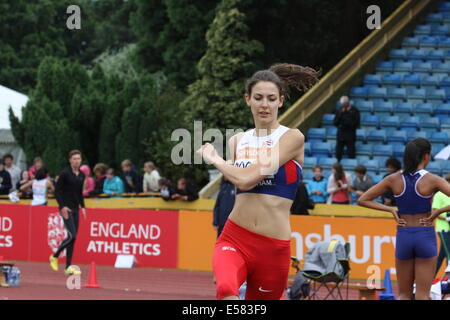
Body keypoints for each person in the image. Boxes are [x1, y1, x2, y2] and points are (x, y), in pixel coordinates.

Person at [196, 63, 319, 300]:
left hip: (273, 247)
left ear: (281, 101)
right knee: (225, 289)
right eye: (259, 97)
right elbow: (240, 186)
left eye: (271, 98)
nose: (265, 104)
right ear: (247, 99)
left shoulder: (292, 138)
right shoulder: (237, 141)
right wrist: (227, 165)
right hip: (235, 237)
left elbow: (246, 180)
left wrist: (216, 160)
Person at [358, 138, 450, 300]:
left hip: (404, 234)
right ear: (426, 156)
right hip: (425, 235)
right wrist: (437, 212)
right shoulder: (432, 179)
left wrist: (391, 210)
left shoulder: (393, 179)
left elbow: (362, 199)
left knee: (403, 294)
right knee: (422, 295)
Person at [51, 150, 86, 276]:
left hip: (76, 209)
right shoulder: (65, 174)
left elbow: (79, 192)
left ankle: (68, 267)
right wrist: (62, 206)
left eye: (78, 158)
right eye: (74, 159)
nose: (76, 161)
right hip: (66, 209)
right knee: (72, 236)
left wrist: (83, 206)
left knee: (73, 239)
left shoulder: (82, 175)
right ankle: (54, 256)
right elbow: (57, 191)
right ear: (70, 160)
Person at [432, 173, 450, 277]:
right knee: (449, 254)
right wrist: (447, 218)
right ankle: (448, 280)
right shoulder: (439, 195)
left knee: (442, 254)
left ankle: (430, 277)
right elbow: (434, 211)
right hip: (443, 228)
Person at [333, 96, 360, 162]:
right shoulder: (339, 110)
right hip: (341, 134)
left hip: (350, 134)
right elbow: (335, 122)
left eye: (344, 104)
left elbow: (356, 123)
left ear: (347, 103)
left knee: (351, 152)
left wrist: (346, 120)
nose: (343, 105)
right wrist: (341, 114)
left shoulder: (354, 110)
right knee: (338, 152)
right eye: (342, 104)